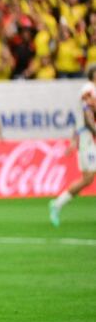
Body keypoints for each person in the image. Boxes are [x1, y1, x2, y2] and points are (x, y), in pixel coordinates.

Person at [49, 80, 96, 226]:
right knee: (88, 178)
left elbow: (78, 124)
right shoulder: (88, 98)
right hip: (87, 142)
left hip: (85, 141)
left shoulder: (86, 101)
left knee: (87, 179)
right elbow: (87, 118)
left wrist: (73, 142)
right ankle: (57, 204)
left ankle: (58, 203)